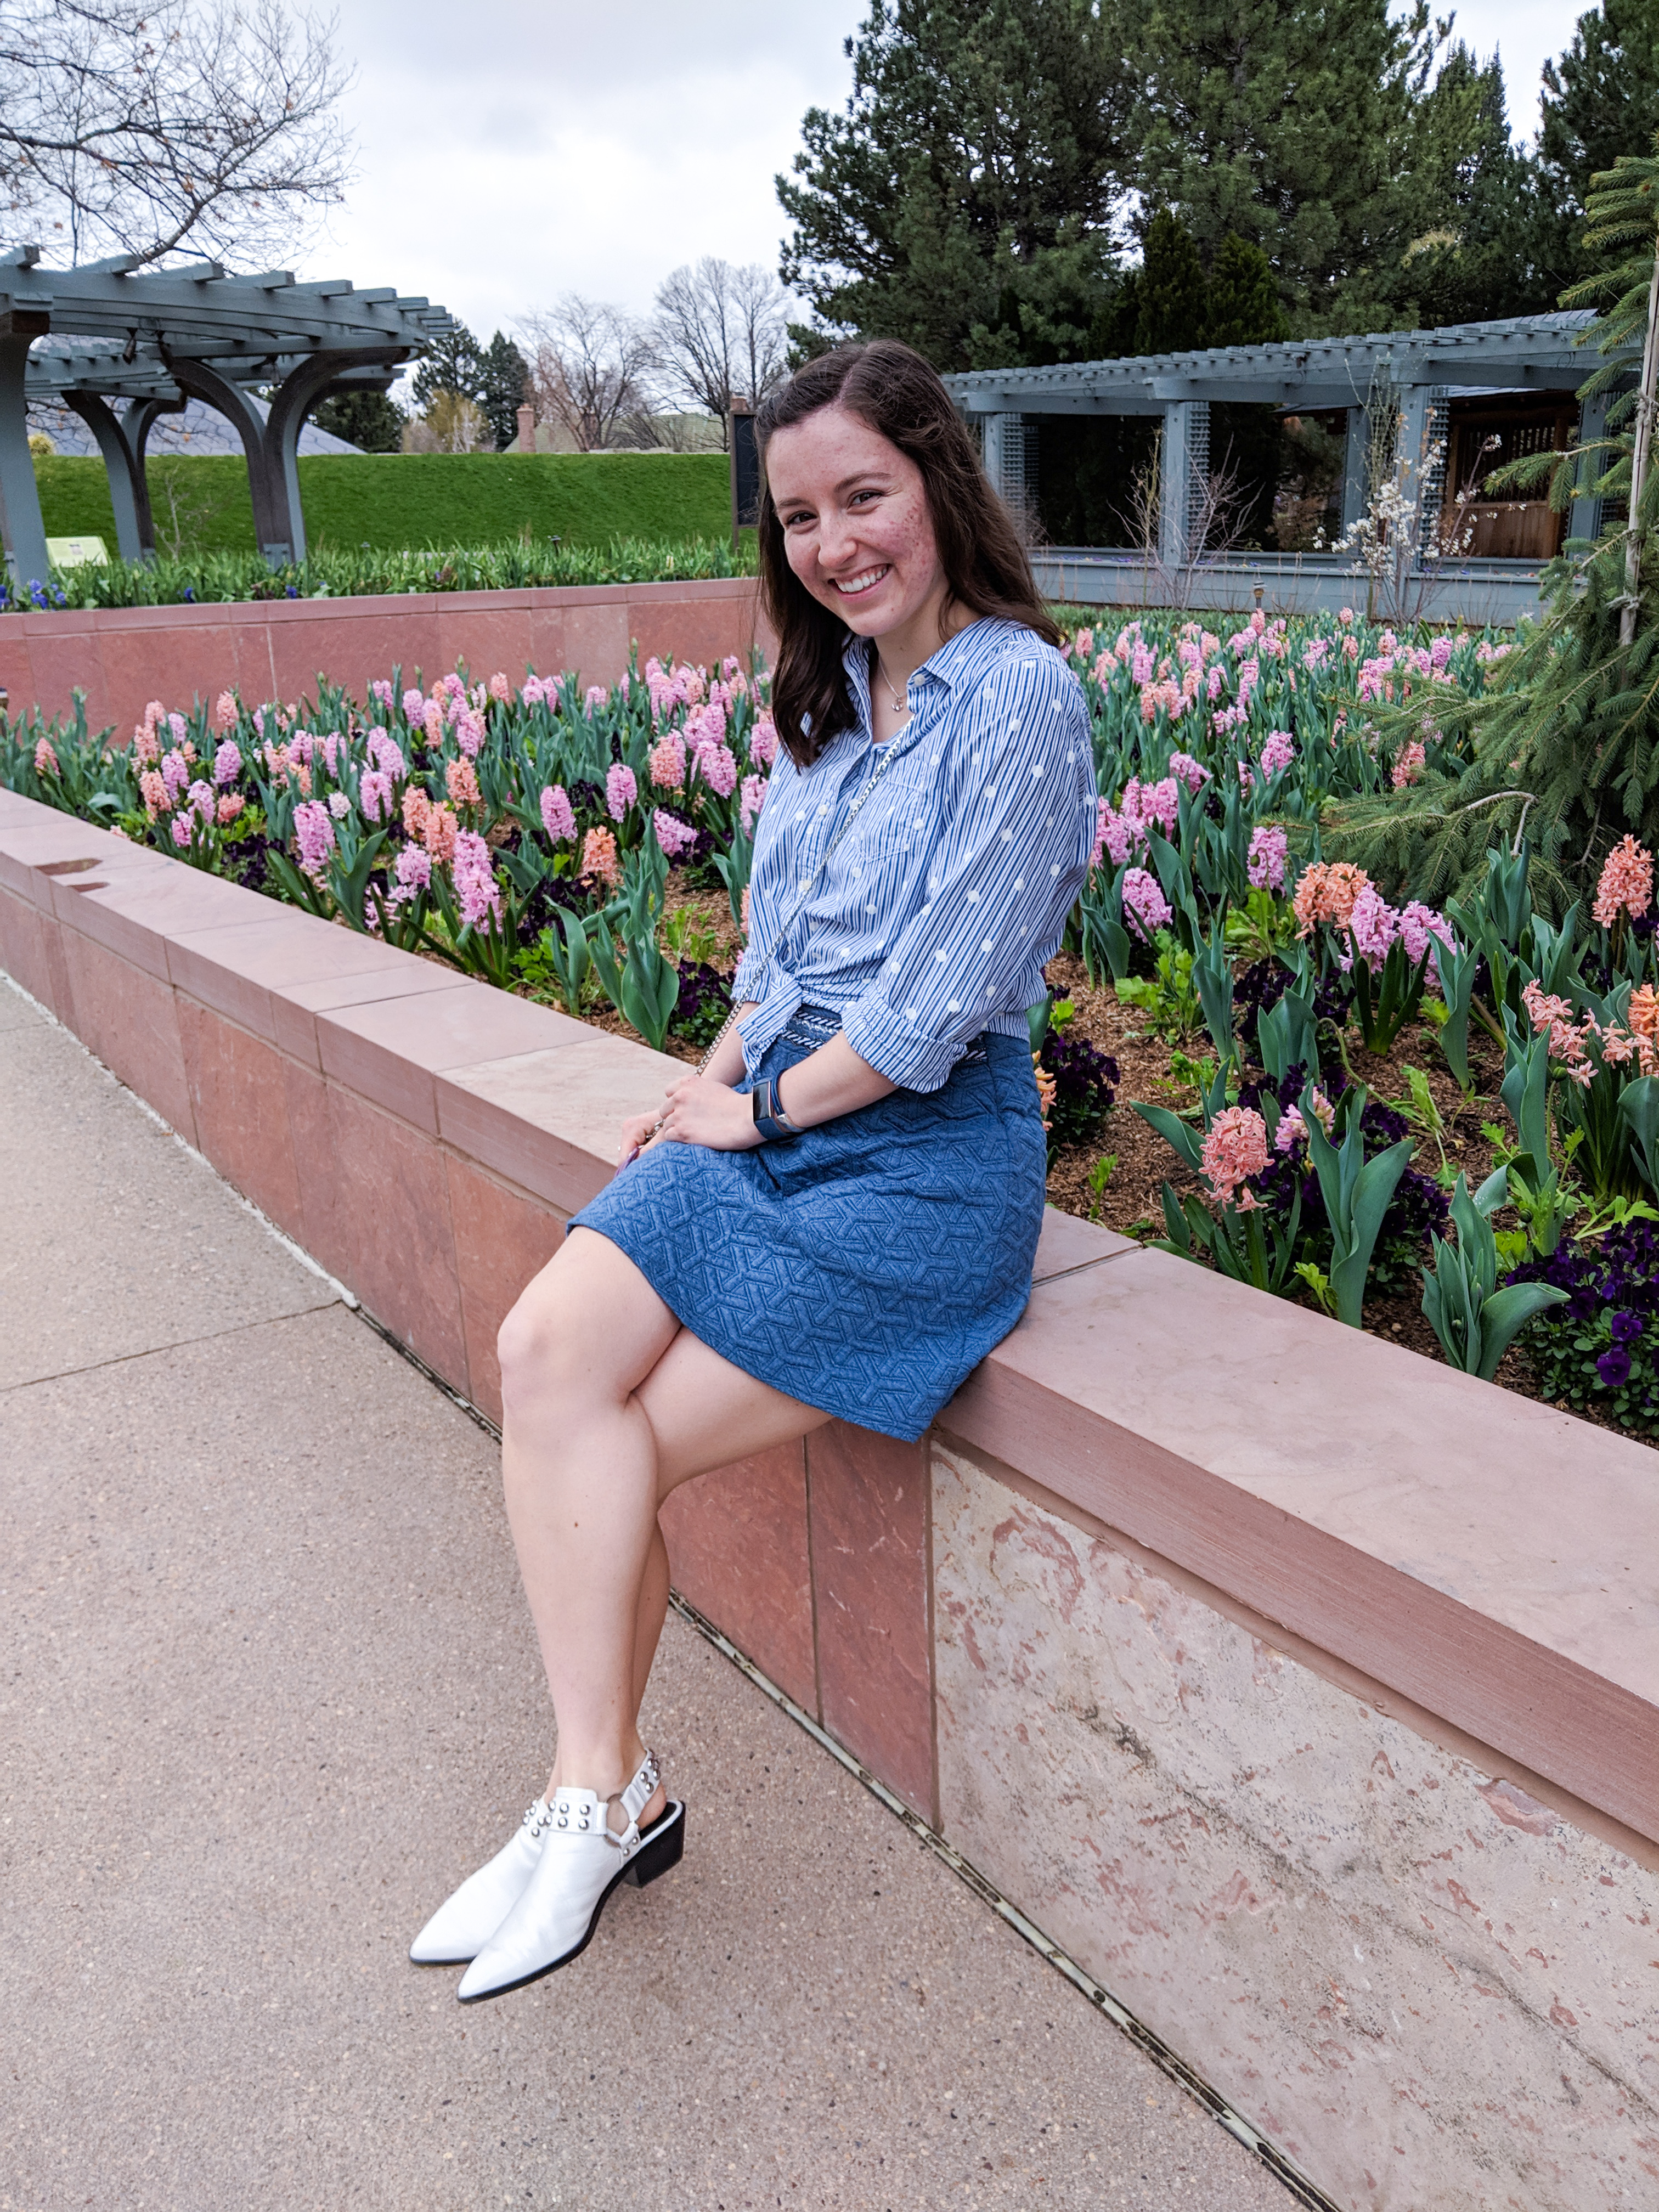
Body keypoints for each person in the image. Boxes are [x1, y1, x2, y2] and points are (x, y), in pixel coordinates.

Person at [409, 338, 1097, 2003]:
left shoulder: (1019, 696)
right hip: (765, 1110)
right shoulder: (818, 703)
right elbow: (775, 965)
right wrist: (705, 1090)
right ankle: (600, 1790)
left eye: (864, 497)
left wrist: (765, 1116)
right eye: (798, 517)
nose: (834, 545)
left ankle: (597, 1804)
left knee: (620, 1445)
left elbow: (931, 1008)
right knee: (543, 1357)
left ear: (939, 482)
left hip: (922, 1161)